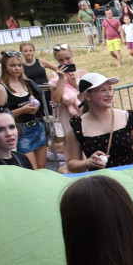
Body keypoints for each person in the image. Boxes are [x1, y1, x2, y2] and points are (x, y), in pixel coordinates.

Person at [66, 73, 133, 171]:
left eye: (110, 89)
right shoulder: (77, 126)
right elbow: (72, 163)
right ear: (87, 95)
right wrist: (88, 162)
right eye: (103, 90)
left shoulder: (127, 117)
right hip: (102, 183)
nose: (109, 94)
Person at [0, 52, 47, 169]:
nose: (17, 68)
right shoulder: (1, 88)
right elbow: (0, 116)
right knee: (32, 169)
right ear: (5, 67)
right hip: (21, 130)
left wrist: (34, 107)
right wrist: (22, 110)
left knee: (42, 167)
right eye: (12, 66)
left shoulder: (26, 83)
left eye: (19, 65)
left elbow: (33, 100)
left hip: (37, 126)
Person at [48, 44, 84, 172]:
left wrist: (76, 84)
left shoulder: (82, 73)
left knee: (87, 141)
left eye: (68, 58)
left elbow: (88, 95)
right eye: (61, 60)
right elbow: (57, 99)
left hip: (82, 112)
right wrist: (62, 78)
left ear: (72, 56)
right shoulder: (53, 77)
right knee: (70, 145)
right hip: (65, 115)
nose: (65, 62)